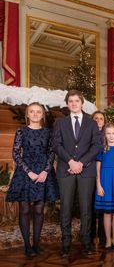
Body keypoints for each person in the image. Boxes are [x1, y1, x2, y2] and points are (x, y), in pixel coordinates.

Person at [52, 90, 102, 257]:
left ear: (82, 103)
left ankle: (86, 241)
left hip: (86, 170)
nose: (73, 103)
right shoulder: (60, 123)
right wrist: (71, 162)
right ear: (67, 104)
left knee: (86, 208)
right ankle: (65, 242)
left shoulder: (91, 123)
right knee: (65, 208)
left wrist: (81, 163)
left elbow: (97, 146)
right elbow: (56, 145)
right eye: (70, 101)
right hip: (65, 170)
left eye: (76, 101)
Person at [6, 102, 59, 258]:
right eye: (32, 111)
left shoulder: (48, 132)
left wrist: (45, 171)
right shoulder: (21, 131)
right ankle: (27, 246)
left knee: (38, 209)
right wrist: (28, 172)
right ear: (27, 115)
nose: (35, 114)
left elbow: (51, 153)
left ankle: (36, 244)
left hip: (43, 171)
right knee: (24, 209)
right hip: (25, 172)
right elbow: (16, 153)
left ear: (42, 115)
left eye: (38, 112)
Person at [91, 110, 106, 246]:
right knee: (90, 203)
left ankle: (102, 235)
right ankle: (90, 235)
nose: (98, 120)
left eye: (101, 118)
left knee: (103, 203)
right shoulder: (88, 133)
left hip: (105, 172)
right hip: (90, 169)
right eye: (96, 118)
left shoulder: (107, 135)